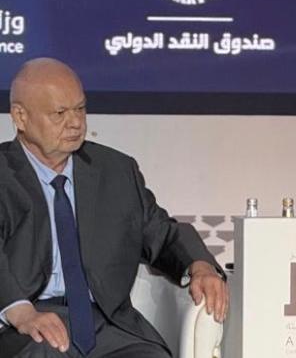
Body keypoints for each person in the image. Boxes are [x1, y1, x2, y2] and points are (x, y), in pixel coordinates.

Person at [0, 58, 228, 358]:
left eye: (80, 109)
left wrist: (199, 266)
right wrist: (20, 312)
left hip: (107, 324)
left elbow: (162, 232)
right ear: (20, 117)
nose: (75, 122)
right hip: (25, 325)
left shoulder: (116, 171)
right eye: (60, 113)